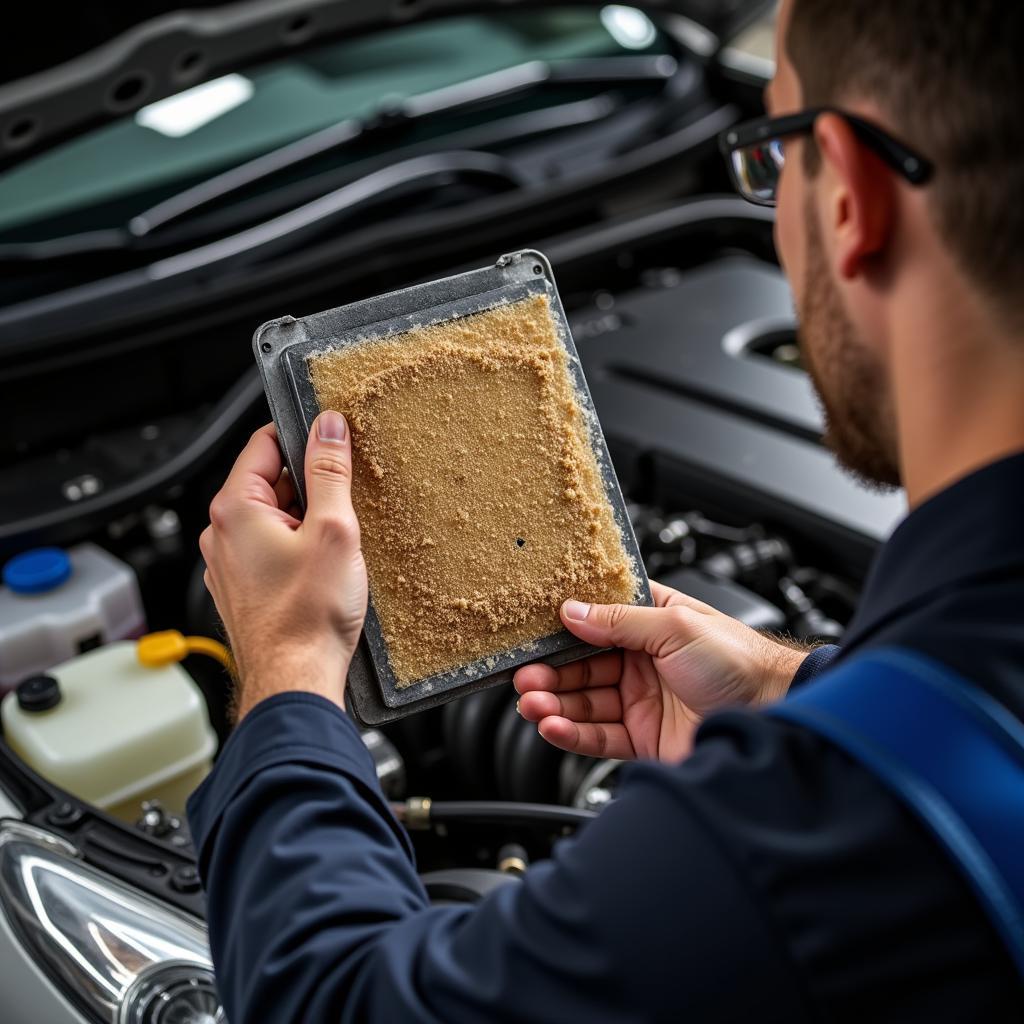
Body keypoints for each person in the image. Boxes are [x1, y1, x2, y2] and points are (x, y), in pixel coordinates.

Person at [190, 0, 1024, 1019]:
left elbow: (331, 1002)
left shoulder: (813, 835)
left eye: (771, 156)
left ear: (846, 196)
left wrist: (286, 672)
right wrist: (791, 686)